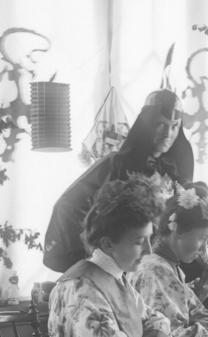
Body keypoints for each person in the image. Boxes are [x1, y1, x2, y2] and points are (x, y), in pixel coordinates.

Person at [0, 177, 208, 337]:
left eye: (149, 239)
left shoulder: (116, 276)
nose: (148, 250)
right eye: (139, 241)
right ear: (108, 244)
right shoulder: (81, 288)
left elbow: (158, 321)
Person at [42, 89, 195, 273]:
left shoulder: (175, 171)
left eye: (174, 126)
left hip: (156, 264)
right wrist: (96, 250)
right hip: (120, 263)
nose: (167, 133)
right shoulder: (116, 164)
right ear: (146, 124)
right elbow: (67, 206)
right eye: (160, 124)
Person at [134, 183, 208, 337]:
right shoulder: (155, 272)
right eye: (202, 238)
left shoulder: (169, 267)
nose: (204, 248)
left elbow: (196, 314)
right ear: (179, 231)